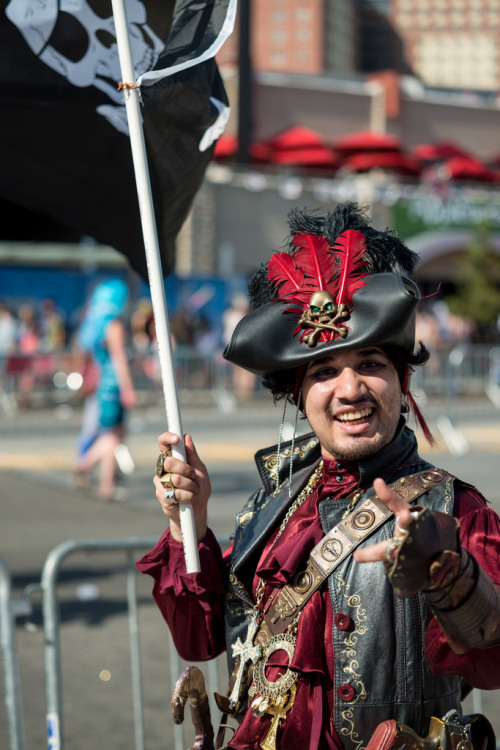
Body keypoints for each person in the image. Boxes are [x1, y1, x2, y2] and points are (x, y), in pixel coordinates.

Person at [137, 204, 500, 750]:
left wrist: (448, 575)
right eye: (325, 372)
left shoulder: (458, 508)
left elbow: (491, 659)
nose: (350, 389)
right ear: (299, 395)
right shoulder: (276, 504)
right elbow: (200, 638)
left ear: (402, 381)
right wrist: (186, 522)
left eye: (371, 363)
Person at [73, 279, 137, 501]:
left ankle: (87, 465)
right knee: (112, 436)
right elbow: (119, 359)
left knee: (115, 433)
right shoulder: (114, 324)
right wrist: (128, 389)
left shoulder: (95, 322)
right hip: (113, 386)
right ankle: (104, 484)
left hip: (103, 386)